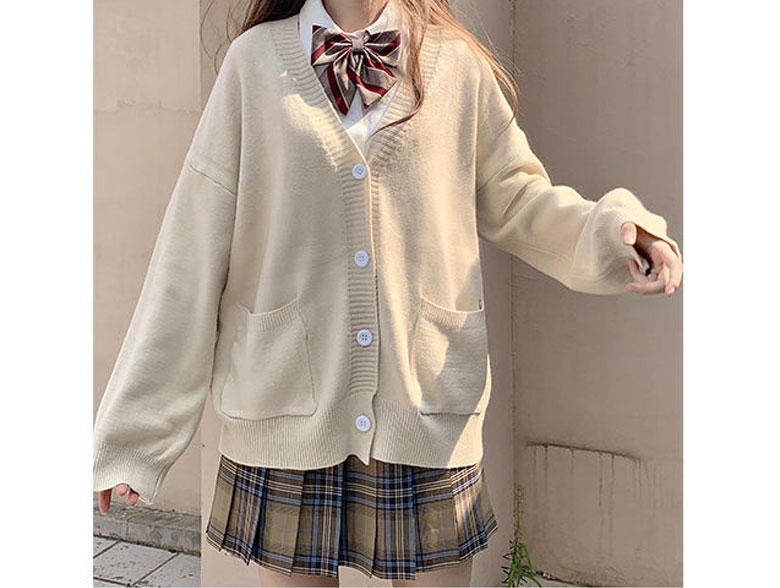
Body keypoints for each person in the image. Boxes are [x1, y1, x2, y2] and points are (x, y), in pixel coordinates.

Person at [93, 0, 683, 586]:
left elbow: (520, 199)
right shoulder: (253, 63)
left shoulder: (457, 65)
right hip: (285, 405)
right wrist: (133, 437)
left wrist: (615, 234)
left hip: (424, 402)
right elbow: (192, 247)